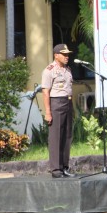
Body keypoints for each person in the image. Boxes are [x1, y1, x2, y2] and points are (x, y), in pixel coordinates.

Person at [42, 44, 75, 178]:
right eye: (64, 54)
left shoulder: (68, 69)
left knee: (67, 136)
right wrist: (48, 112)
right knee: (56, 137)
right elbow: (45, 92)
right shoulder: (49, 70)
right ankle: (56, 169)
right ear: (56, 55)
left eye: (68, 54)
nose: (67, 57)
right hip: (56, 103)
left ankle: (64, 167)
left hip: (67, 102)